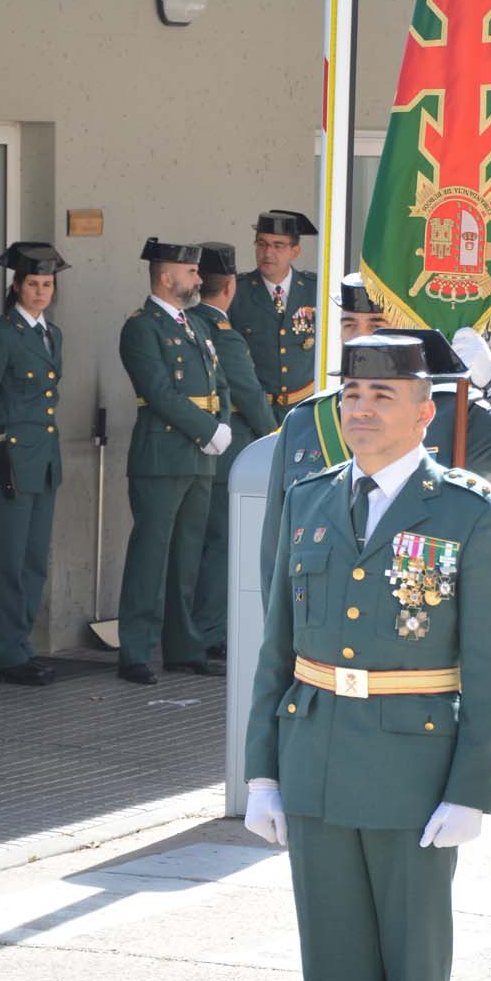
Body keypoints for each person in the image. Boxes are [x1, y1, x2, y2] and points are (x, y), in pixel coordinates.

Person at [244, 334, 491, 981]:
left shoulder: (469, 513)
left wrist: (472, 788)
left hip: (414, 771)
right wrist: (261, 769)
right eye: (352, 393)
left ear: (424, 409)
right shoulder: (310, 499)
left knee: (413, 974)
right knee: (334, 975)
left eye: (381, 395)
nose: (361, 409)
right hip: (318, 757)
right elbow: (276, 649)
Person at [259, 271, 491, 599]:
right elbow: (277, 554)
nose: (362, 339)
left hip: (414, 626)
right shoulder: (306, 422)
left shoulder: (451, 414)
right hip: (321, 635)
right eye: (349, 325)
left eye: (376, 325)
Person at [116, 237, 231, 686]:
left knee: (186, 555)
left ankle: (183, 646)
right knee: (151, 555)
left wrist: (219, 425)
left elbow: (219, 381)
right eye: (190, 273)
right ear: (167, 277)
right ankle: (136, 651)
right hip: (163, 455)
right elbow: (159, 392)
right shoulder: (141, 327)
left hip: (198, 455)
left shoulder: (196, 325)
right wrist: (208, 430)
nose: (199, 279)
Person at [0, 242, 69, 685]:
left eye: (47, 285)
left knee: (33, 559)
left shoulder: (52, 334)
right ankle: (7, 652)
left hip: (42, 462)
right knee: (7, 559)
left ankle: (21, 643)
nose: (41, 292)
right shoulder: (1, 334)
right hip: (6, 462)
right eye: (33, 284)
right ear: (17, 287)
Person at [190, 241, 275, 662]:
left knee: (196, 546)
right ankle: (208, 631)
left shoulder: (185, 323)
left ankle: (194, 630)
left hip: (194, 453)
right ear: (230, 288)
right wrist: (277, 437)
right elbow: (249, 394)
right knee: (220, 548)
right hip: (228, 457)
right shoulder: (223, 335)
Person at [230, 212, 318, 422]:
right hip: (249, 416)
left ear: (295, 251)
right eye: (262, 244)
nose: (267, 253)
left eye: (278, 246)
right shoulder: (236, 291)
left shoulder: (315, 289)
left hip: (303, 411)